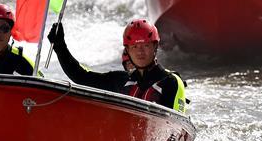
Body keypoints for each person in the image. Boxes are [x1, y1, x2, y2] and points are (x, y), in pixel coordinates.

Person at [46, 20, 187, 113]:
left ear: (155, 47)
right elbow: (81, 76)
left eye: (145, 45)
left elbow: (172, 127)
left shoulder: (170, 82)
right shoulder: (120, 80)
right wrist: (60, 46)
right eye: (135, 46)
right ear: (127, 50)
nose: (140, 52)